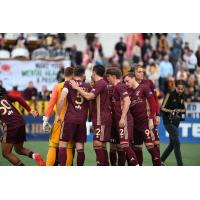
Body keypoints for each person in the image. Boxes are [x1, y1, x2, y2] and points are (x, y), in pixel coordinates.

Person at [70, 64, 111, 166]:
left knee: (97, 144)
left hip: (101, 118)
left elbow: (89, 96)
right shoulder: (99, 84)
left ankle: (102, 165)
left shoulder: (100, 83)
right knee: (101, 145)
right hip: (99, 118)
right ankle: (104, 164)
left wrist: (77, 87)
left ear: (94, 72)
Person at [124, 72, 161, 166]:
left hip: (145, 122)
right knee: (137, 148)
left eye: (127, 81)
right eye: (125, 82)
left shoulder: (144, 87)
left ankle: (159, 165)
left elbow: (153, 104)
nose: (126, 84)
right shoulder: (128, 92)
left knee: (150, 147)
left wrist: (151, 118)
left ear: (133, 78)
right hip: (135, 125)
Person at [0, 89, 44, 166]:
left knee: (6, 153)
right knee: (19, 149)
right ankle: (35, 156)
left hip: (10, 126)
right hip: (20, 122)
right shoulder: (4, 96)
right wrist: (30, 110)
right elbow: (18, 98)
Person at [56, 67, 90, 166]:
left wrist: (58, 115)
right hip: (82, 120)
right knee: (80, 147)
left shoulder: (68, 84)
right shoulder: (88, 86)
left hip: (69, 118)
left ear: (73, 75)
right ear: (83, 75)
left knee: (62, 144)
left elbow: (62, 99)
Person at [106, 67, 138, 166]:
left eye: (108, 77)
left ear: (114, 77)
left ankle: (136, 165)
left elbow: (127, 101)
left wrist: (122, 118)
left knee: (125, 145)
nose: (107, 79)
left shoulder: (119, 86)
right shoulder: (116, 87)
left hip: (124, 121)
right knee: (122, 145)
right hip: (119, 121)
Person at [43, 67, 74, 166]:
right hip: (72, 120)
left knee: (53, 145)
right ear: (73, 74)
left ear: (64, 75)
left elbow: (51, 104)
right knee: (69, 147)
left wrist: (46, 119)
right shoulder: (77, 86)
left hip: (59, 119)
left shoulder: (57, 86)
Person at [132, 65, 161, 161]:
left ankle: (158, 164)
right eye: (139, 71)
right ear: (134, 73)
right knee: (137, 146)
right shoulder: (130, 84)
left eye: (143, 71)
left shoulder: (148, 83)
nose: (142, 73)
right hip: (136, 121)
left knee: (155, 143)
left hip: (150, 118)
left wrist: (157, 114)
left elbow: (155, 100)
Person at [161, 80, 186, 166]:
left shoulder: (182, 96)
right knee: (177, 142)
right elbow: (162, 108)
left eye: (182, 89)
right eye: (178, 88)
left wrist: (179, 110)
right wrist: (172, 111)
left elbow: (184, 110)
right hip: (168, 121)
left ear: (183, 89)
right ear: (176, 87)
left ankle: (160, 161)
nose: (180, 90)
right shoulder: (169, 94)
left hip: (176, 122)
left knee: (172, 144)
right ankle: (180, 164)